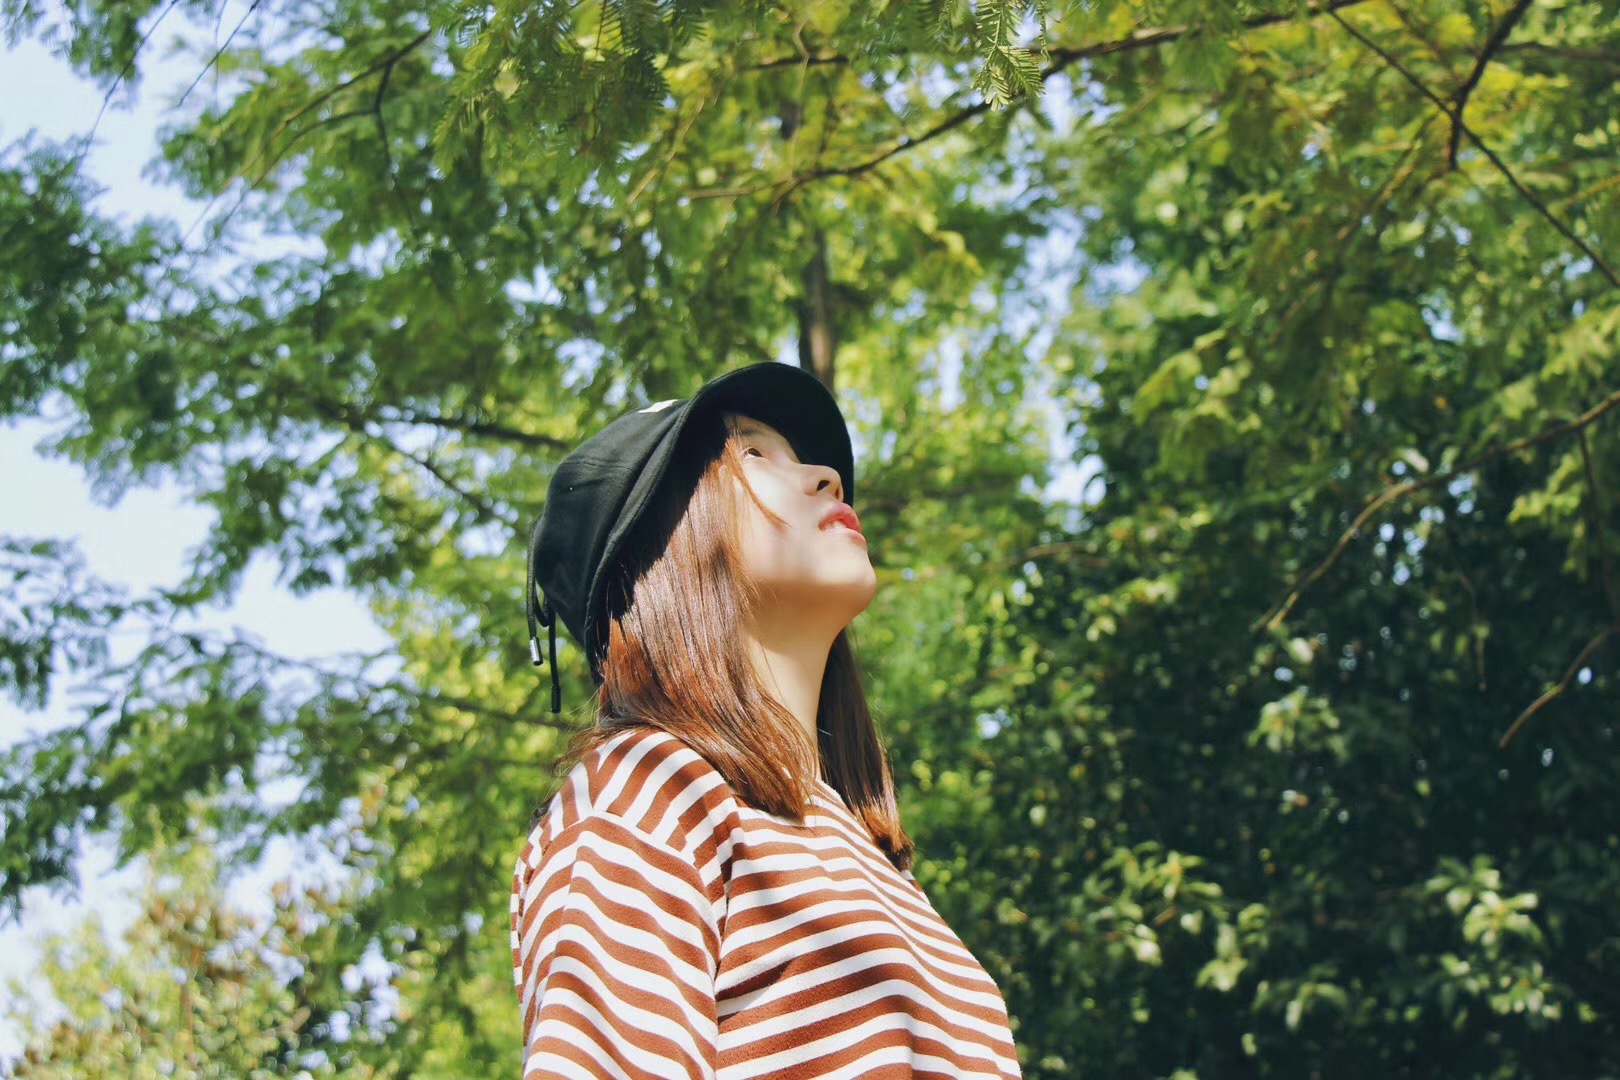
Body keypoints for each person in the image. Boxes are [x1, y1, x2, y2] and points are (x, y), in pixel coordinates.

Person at [513, 361, 1022, 1078]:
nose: (826, 477)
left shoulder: (870, 855)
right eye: (754, 453)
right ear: (664, 545)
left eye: (801, 454)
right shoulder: (652, 787)